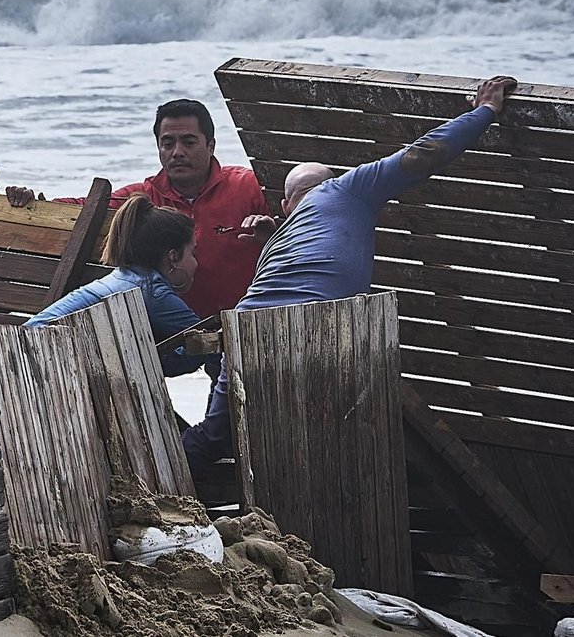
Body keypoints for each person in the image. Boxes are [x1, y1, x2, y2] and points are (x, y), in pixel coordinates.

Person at [181, 75, 517, 478]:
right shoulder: (347, 188)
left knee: (215, 437)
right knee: (322, 434)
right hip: (313, 331)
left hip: (245, 328)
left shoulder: (285, 235)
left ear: (288, 205)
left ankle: (150, 486)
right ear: (331, 180)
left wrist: (272, 237)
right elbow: (422, 156)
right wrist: (485, 111)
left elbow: (291, 273)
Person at [6, 99, 266, 318]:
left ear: (211, 146)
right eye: (168, 143)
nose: (177, 152)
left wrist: (274, 234)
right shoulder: (142, 197)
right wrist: (35, 203)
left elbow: (297, 220)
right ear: (158, 148)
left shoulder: (249, 186)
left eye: (189, 142)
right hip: (167, 326)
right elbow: (82, 209)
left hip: (243, 321)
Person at [25, 193, 216, 378]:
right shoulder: (153, 292)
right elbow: (209, 342)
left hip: (27, 348)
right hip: (39, 356)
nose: (197, 263)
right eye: (193, 253)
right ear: (173, 256)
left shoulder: (125, 277)